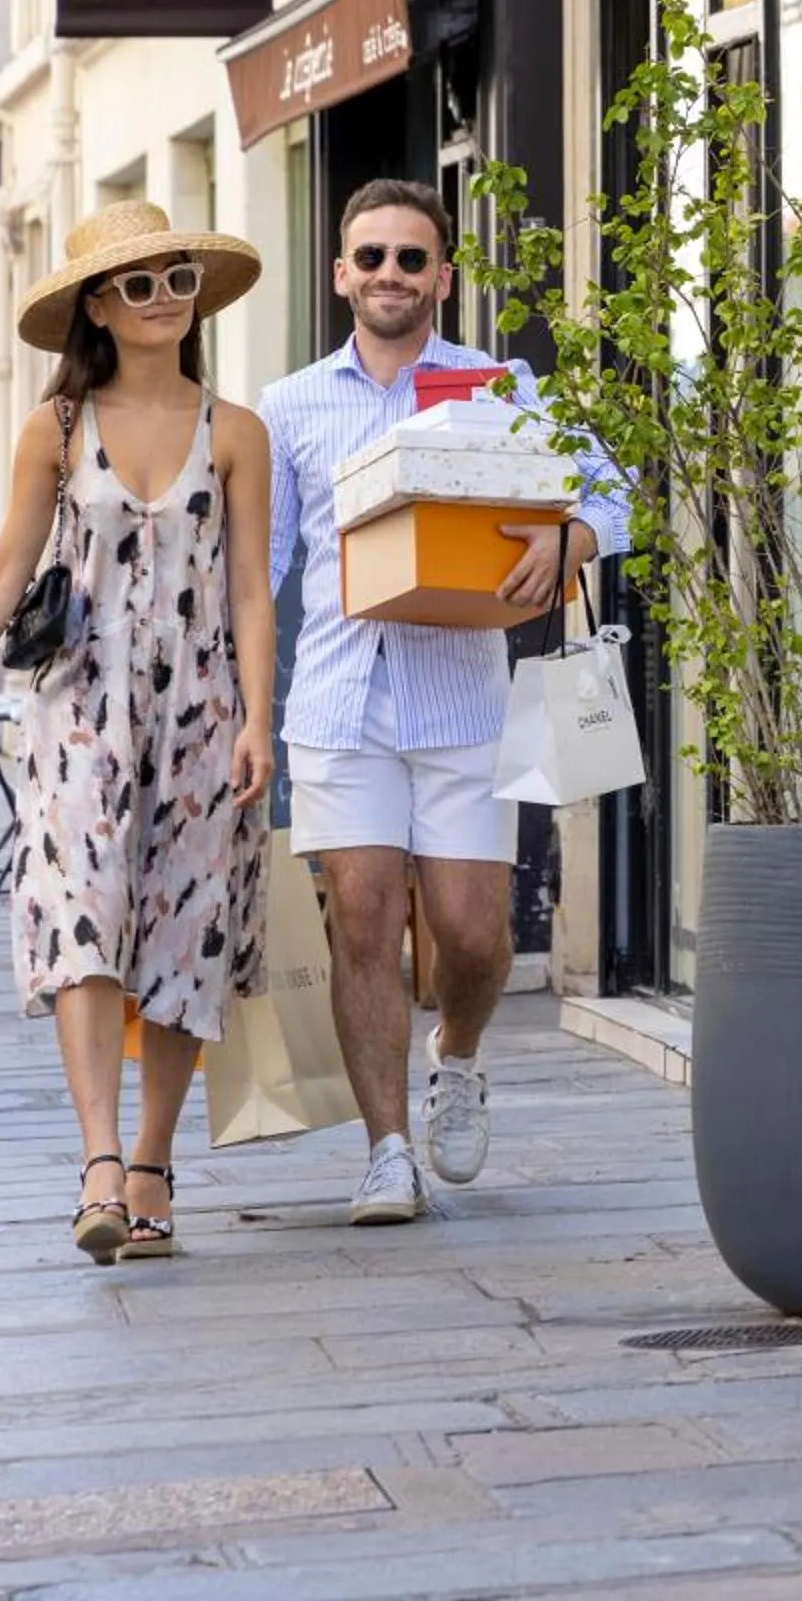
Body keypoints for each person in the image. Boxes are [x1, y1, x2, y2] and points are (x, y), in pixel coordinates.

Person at [0, 202, 275, 1266]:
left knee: (188, 936)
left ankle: (151, 1158)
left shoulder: (236, 431)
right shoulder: (54, 426)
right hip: (79, 708)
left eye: (176, 275)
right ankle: (98, 1162)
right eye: (137, 283)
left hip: (203, 711)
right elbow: (2, 576)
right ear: (98, 304)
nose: (163, 296)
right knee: (83, 917)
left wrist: (259, 724)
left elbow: (251, 593)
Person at [260, 180, 628, 1226]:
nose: (389, 274)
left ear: (443, 276)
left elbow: (611, 491)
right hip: (337, 702)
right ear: (341, 274)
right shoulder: (291, 407)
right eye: (369, 256)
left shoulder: (497, 384)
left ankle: (456, 1052)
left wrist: (572, 537)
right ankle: (386, 1151)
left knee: (471, 932)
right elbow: (266, 566)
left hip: (466, 696)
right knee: (365, 916)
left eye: (410, 259)